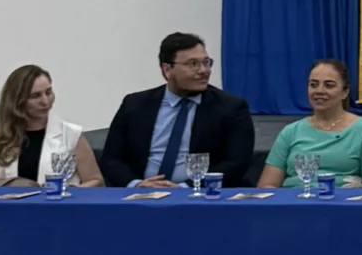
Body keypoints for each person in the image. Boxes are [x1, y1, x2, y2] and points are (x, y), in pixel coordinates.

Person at [101, 32, 256, 186]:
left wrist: (186, 187)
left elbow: (236, 164)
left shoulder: (231, 107)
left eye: (206, 62)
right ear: (167, 69)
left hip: (199, 194)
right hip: (141, 192)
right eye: (193, 64)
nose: (204, 70)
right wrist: (136, 184)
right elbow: (111, 159)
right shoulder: (135, 104)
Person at [258, 61, 362, 190]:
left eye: (329, 85)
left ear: (345, 92)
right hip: (295, 199)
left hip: (343, 200)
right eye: (313, 85)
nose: (319, 91)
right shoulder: (291, 132)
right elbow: (267, 184)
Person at [0, 64, 102, 186]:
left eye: (48, 92)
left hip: (58, 199)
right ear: (17, 100)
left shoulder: (71, 134)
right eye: (35, 96)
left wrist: (68, 192)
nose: (45, 101)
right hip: (9, 200)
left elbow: (96, 181)